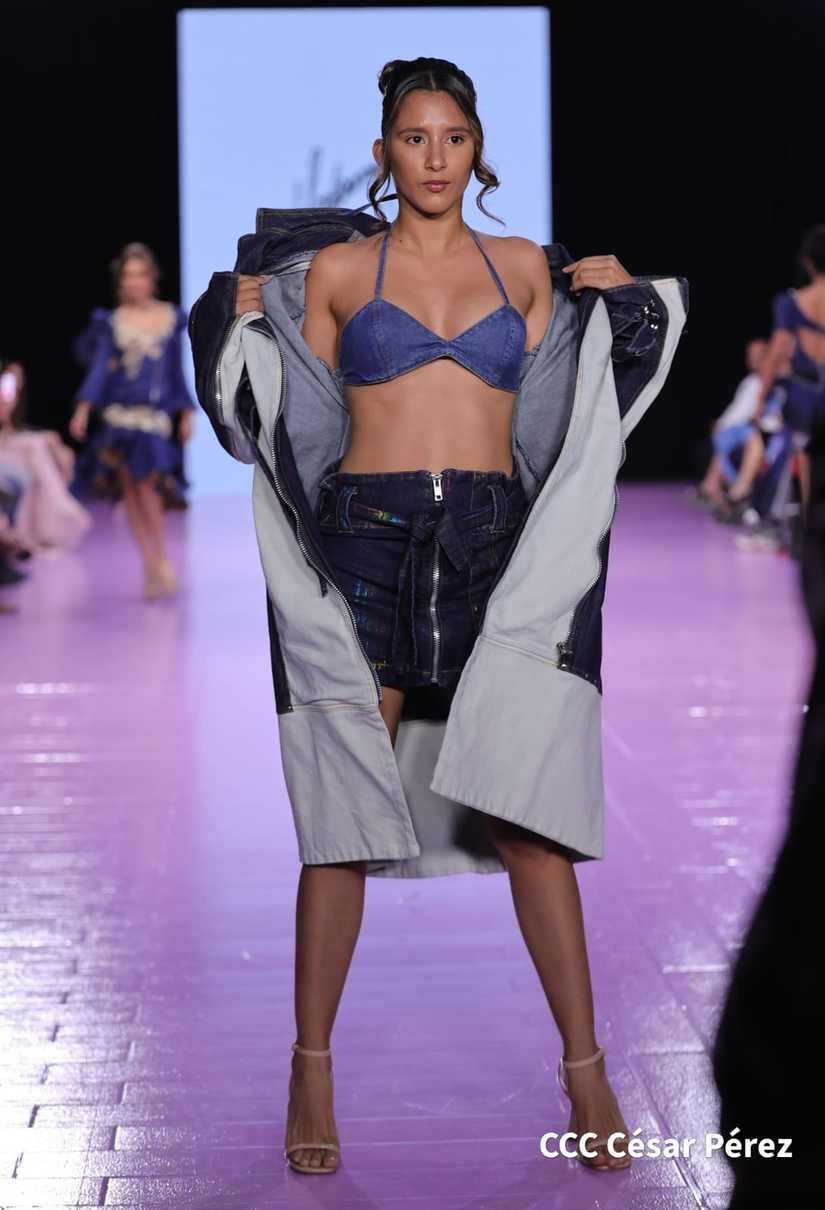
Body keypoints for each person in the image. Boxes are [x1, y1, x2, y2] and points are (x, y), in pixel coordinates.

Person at [189, 57, 688, 1177]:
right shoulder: (333, 273)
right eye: (413, 138)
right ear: (383, 153)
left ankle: (587, 1072)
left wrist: (627, 304)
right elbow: (285, 415)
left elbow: (571, 402)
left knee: (527, 817)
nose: (433, 158)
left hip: (492, 545)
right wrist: (236, 326)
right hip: (365, 541)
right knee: (344, 812)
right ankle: (311, 1067)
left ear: (476, 149)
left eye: (452, 138)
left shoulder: (524, 267)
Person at [69, 243, 196, 599]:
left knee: (150, 487)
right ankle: (150, 564)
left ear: (152, 278)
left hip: (153, 418)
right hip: (119, 416)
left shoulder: (170, 317)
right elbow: (99, 370)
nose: (134, 281)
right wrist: (83, 409)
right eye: (128, 275)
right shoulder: (111, 323)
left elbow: (175, 371)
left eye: (140, 274)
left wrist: (187, 413)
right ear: (120, 281)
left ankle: (161, 558)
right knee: (132, 492)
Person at [749, 224, 825, 519]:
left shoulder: (792, 303)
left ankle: (809, 524)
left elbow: (778, 350)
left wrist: (761, 398)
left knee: (804, 453)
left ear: (808, 262)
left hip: (805, 393)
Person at [0, 360, 91, 553]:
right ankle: (48, 520)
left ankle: (38, 527)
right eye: (9, 378)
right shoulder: (5, 395)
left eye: (17, 379)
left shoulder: (12, 396)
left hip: (10, 445)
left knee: (44, 446)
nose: (15, 383)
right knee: (35, 448)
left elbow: (10, 426)